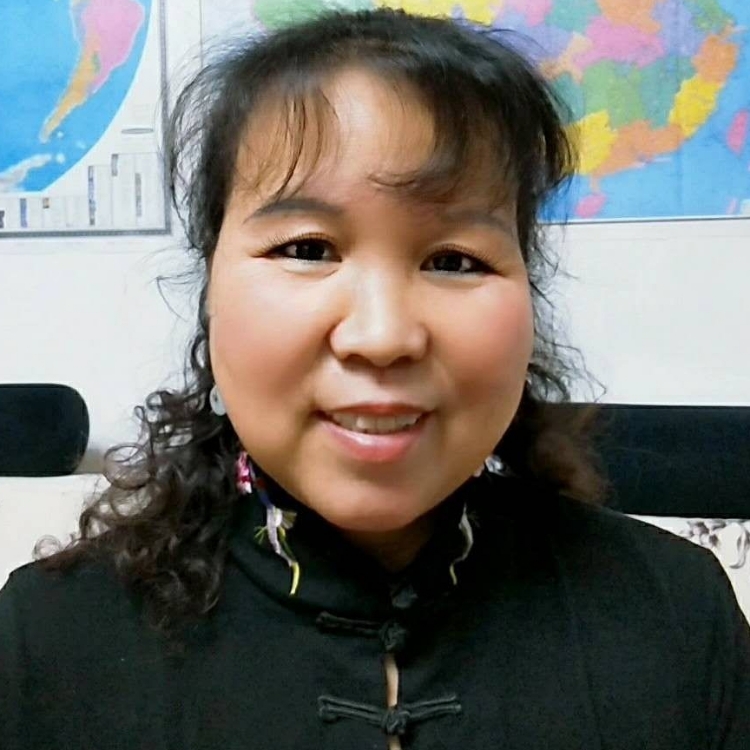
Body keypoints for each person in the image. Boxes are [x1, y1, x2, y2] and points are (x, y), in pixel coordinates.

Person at [1, 7, 748, 749]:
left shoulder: (680, 617)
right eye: (307, 249)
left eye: (453, 260)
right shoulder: (46, 642)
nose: (382, 336)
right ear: (210, 296)